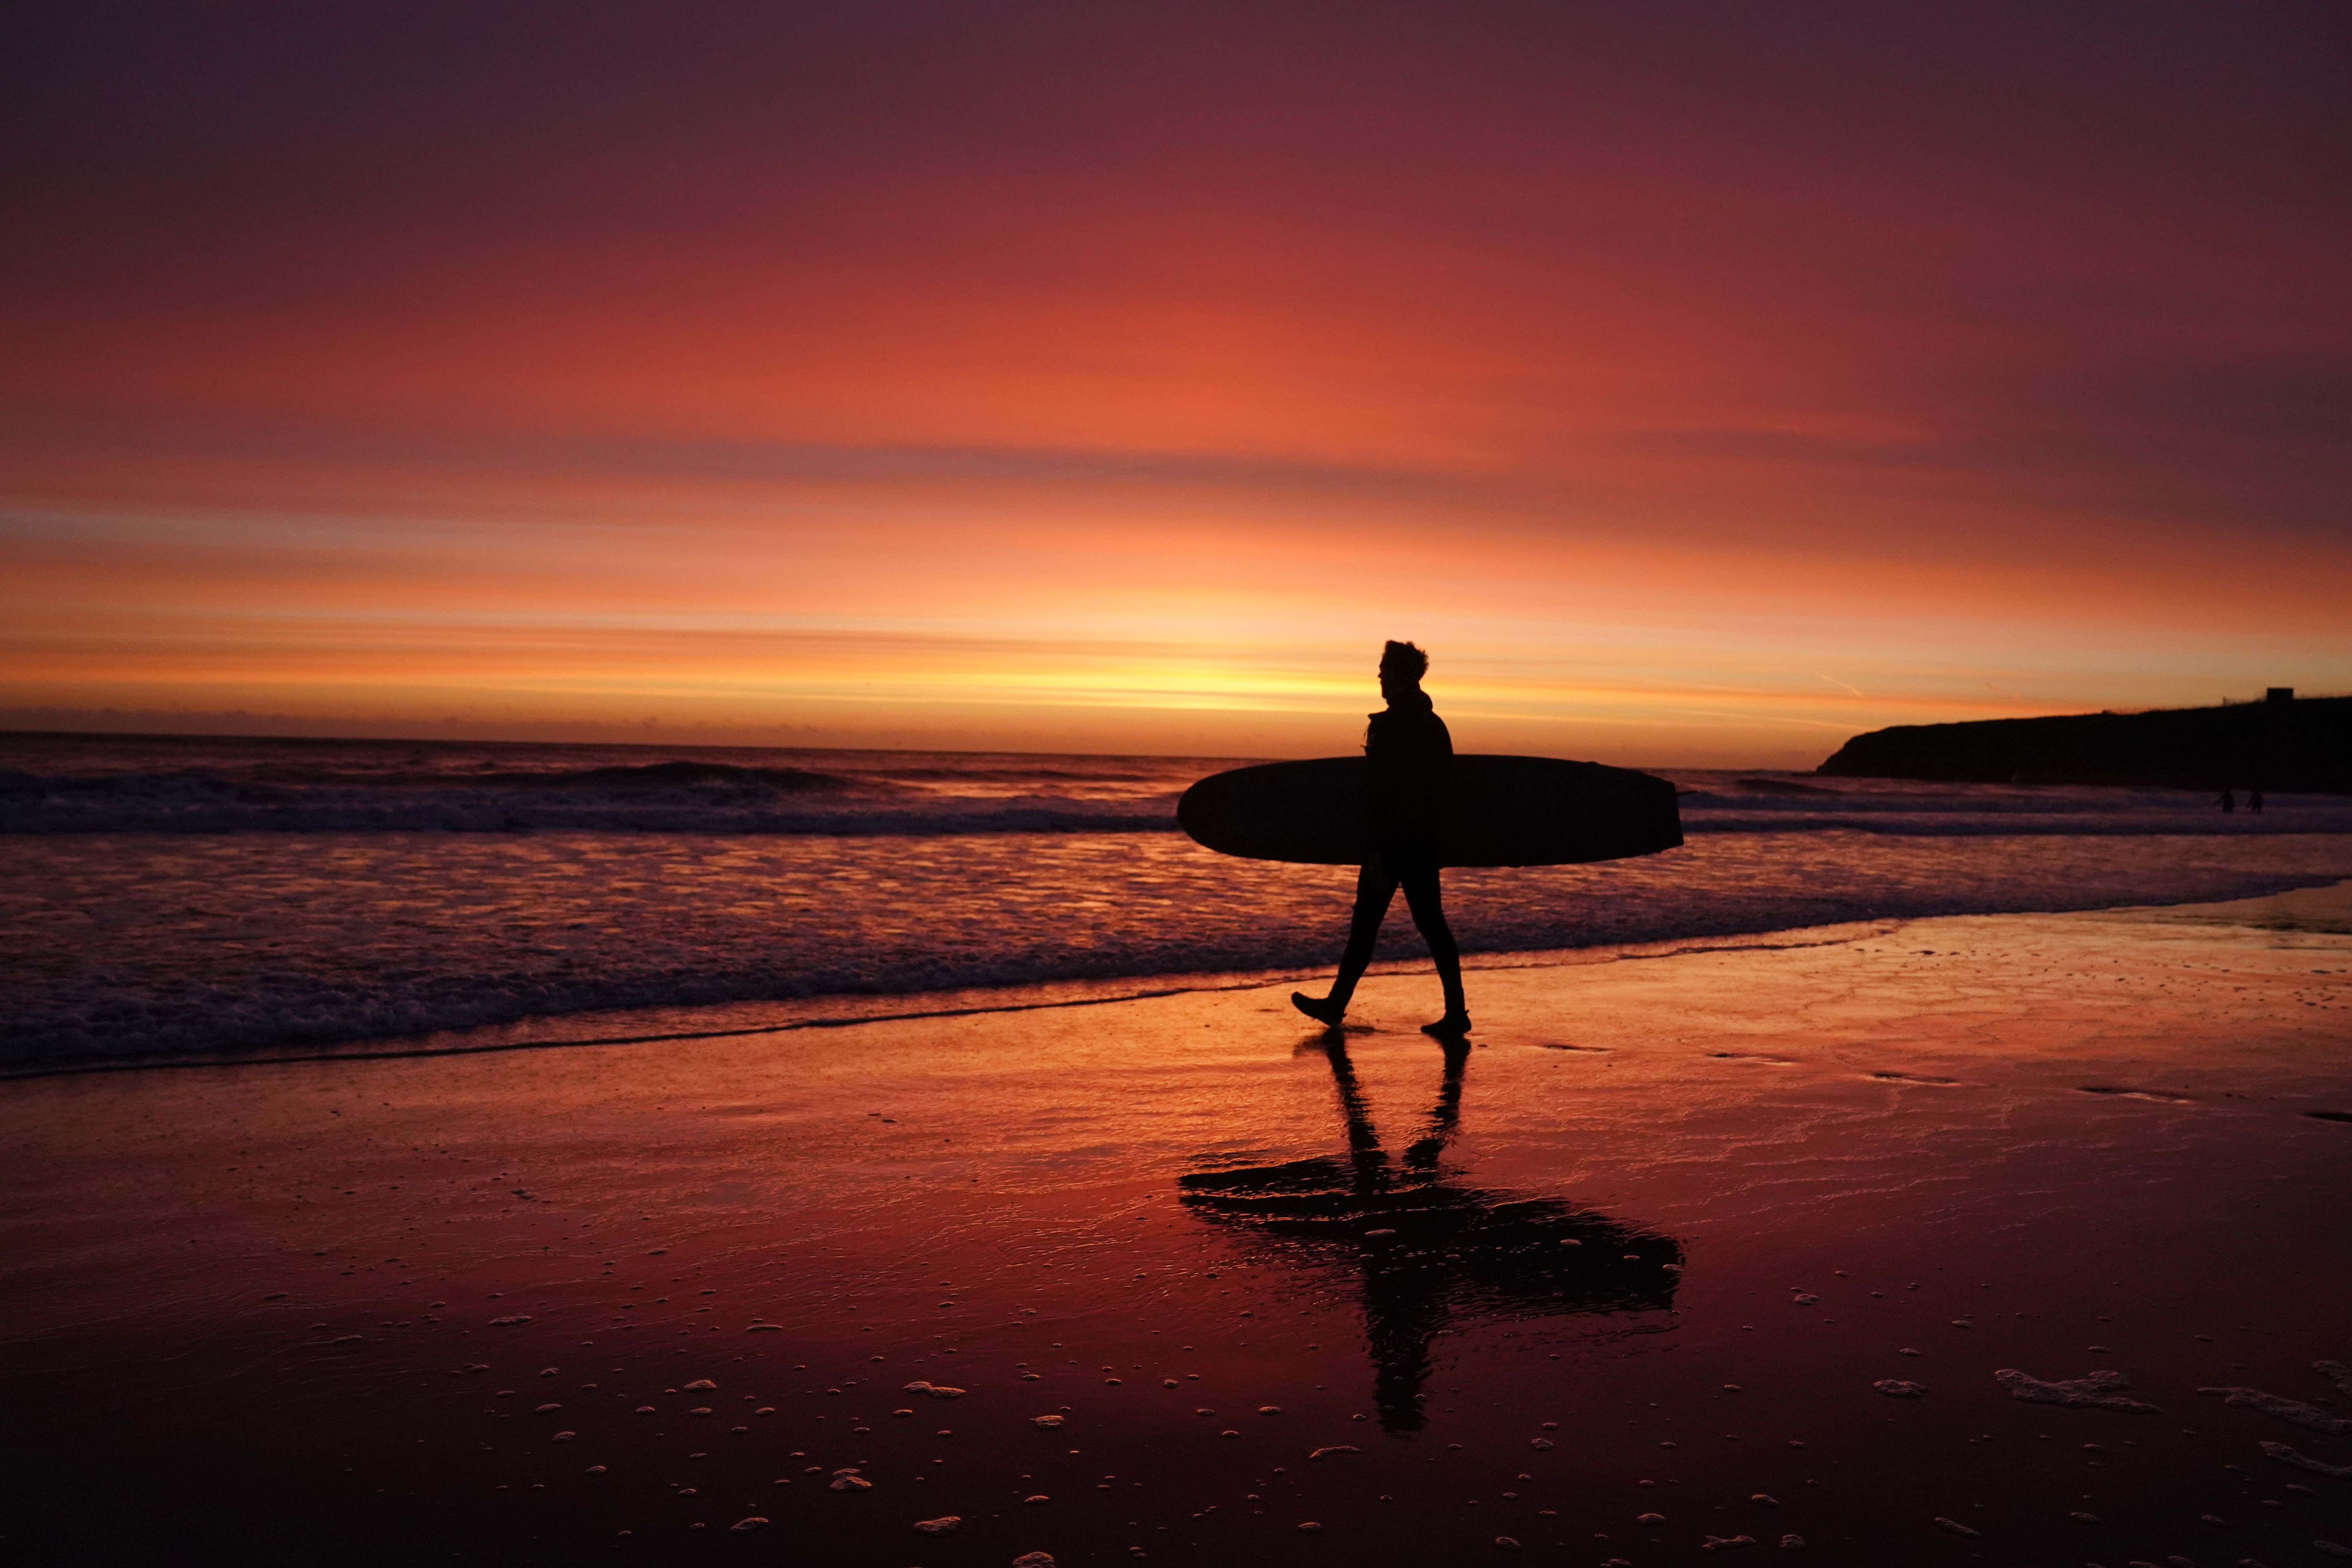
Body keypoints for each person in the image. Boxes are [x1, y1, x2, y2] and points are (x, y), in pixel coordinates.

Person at [1292, 641, 1471, 1037]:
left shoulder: (1391, 727)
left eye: (1383, 670)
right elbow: (1441, 789)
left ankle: (1337, 1004)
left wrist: (1378, 849)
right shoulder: (1433, 723)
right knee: (1431, 925)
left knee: (1368, 925)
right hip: (1423, 842)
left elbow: (1386, 795)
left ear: (1397, 676)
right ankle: (1456, 1012)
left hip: (1394, 844)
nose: (1378, 677)